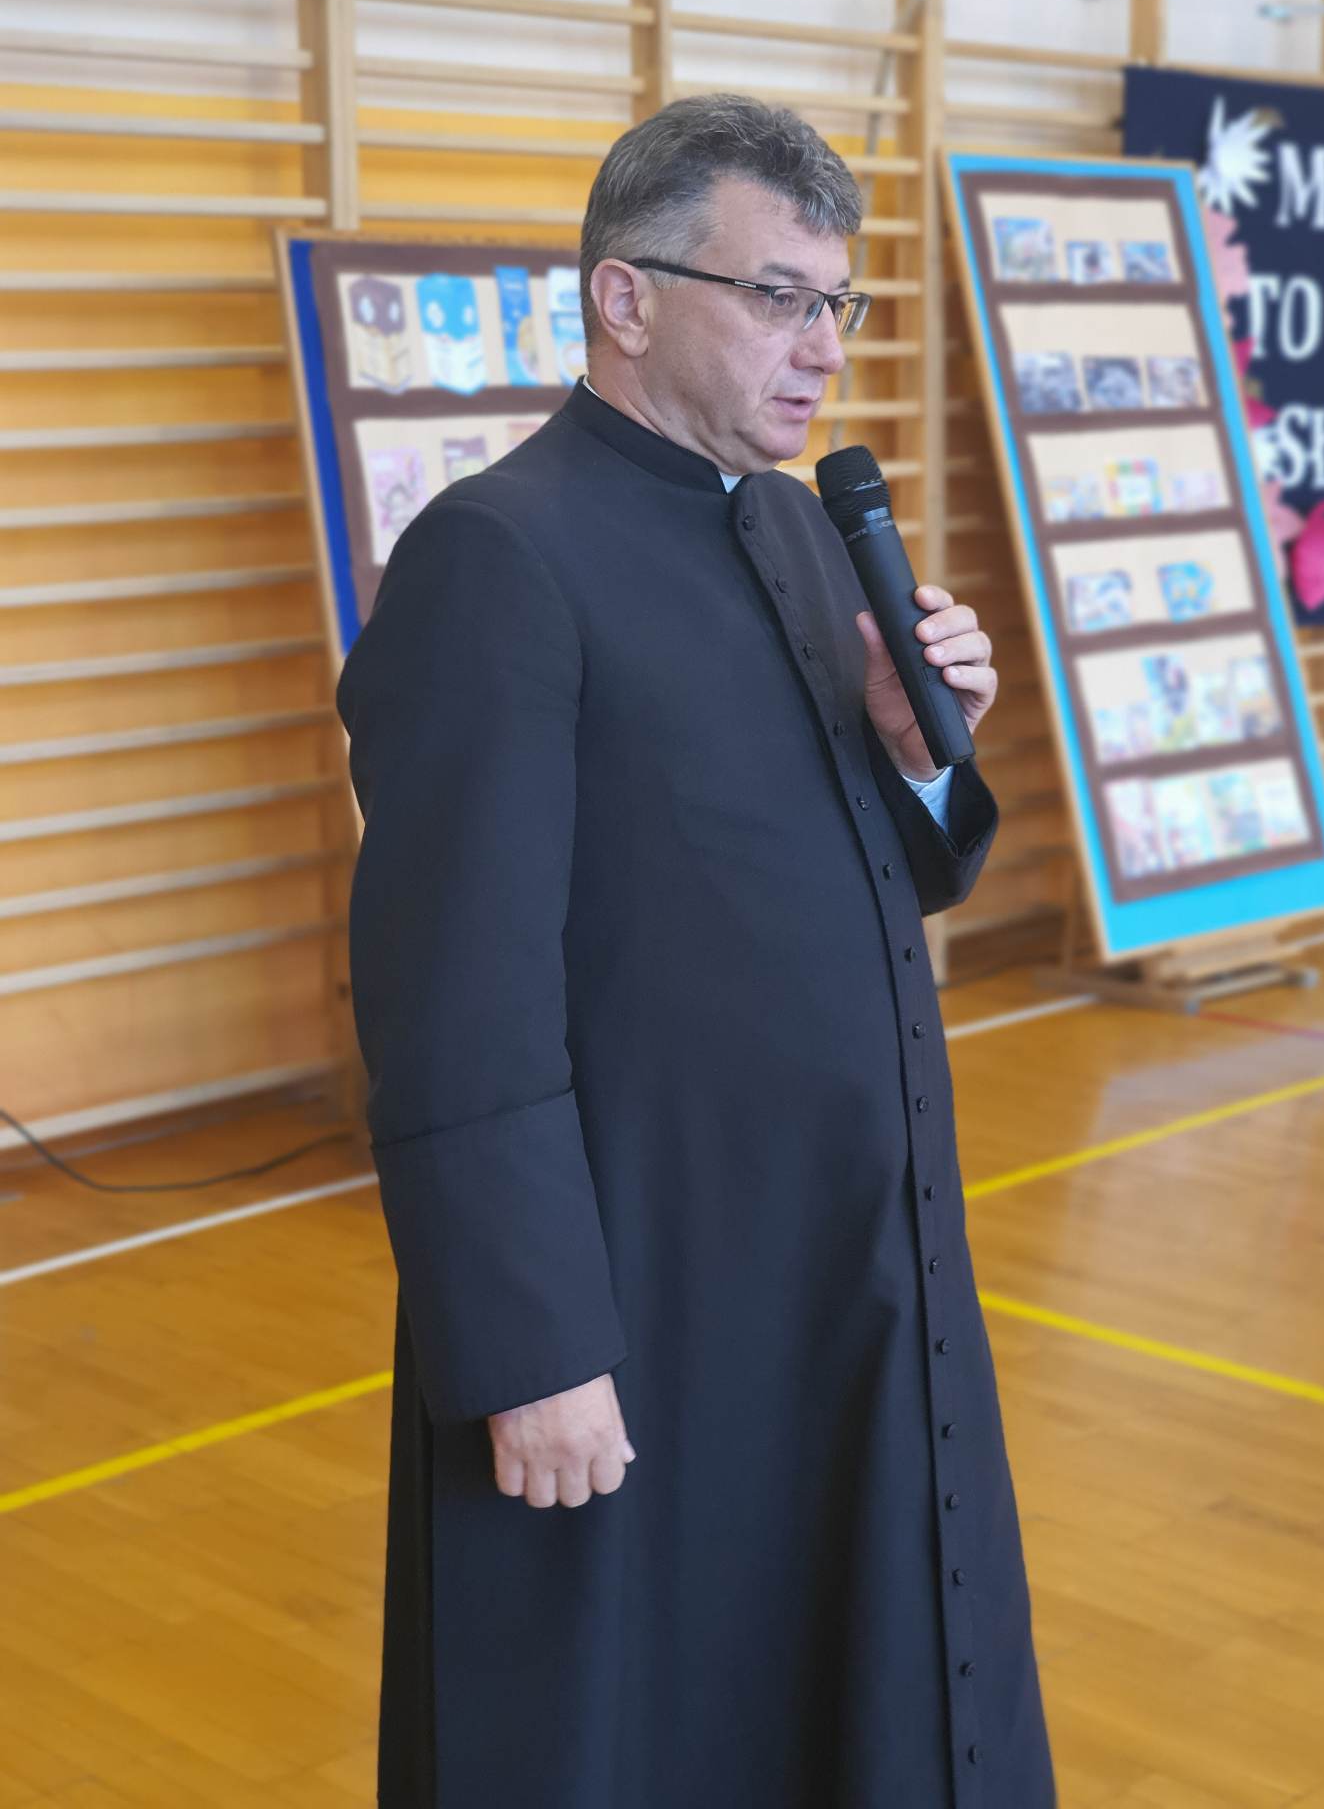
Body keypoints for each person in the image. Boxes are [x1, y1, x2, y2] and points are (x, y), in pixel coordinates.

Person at [336, 92, 1055, 1808]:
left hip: (840, 1276)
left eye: (837, 302)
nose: (823, 349)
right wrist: (531, 1347)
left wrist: (909, 749)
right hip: (642, 1298)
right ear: (626, 298)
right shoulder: (496, 558)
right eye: (777, 297)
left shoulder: (797, 529)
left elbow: (868, 878)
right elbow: (452, 1000)